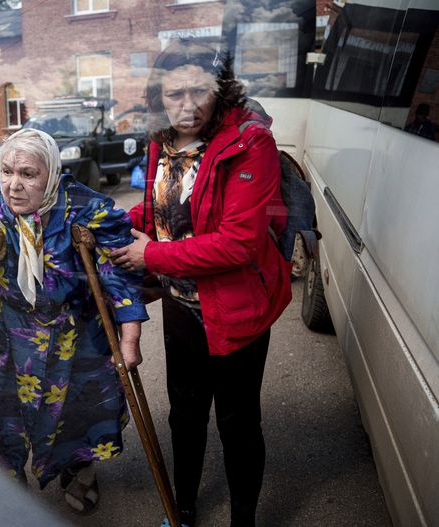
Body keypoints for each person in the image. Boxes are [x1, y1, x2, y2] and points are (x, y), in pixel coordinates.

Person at [110, 41, 292, 527]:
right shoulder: (162, 141)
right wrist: (110, 224)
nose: (187, 106)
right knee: (185, 414)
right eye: (175, 94)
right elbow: (161, 211)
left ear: (221, 92)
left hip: (237, 309)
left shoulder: (250, 144)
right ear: (159, 97)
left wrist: (152, 255)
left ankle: (243, 520)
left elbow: (239, 243)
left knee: (238, 422)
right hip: (181, 305)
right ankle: (183, 510)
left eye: (200, 92)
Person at [0, 128, 148, 513]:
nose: (13, 185)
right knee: (1, 412)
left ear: (51, 173)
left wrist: (129, 340)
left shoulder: (86, 207)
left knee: (80, 408)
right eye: (6, 172)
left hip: (78, 332)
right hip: (6, 334)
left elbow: (120, 273)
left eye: (28, 174)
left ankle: (80, 469)